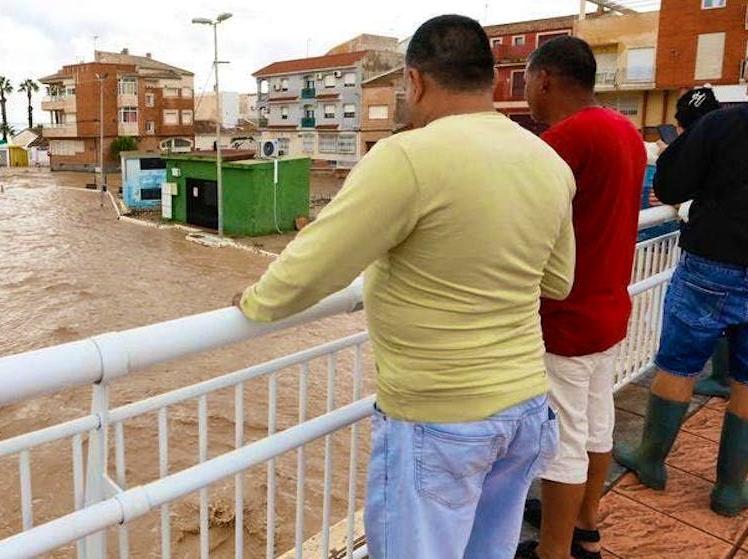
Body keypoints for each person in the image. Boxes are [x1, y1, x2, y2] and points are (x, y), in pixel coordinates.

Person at [233, 15, 576, 559]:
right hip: (525, 407)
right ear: (489, 79)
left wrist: (254, 302)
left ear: (415, 81)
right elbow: (558, 281)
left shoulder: (407, 157)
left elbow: (314, 266)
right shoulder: (548, 161)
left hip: (440, 418)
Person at [614, 34, 748, 517]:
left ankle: (651, 460)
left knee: (678, 367)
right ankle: (730, 489)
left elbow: (670, 184)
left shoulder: (724, 124)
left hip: (711, 269)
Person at [515, 37, 645, 559]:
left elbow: (521, 223)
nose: (525, 90)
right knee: (596, 422)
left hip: (567, 315)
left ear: (544, 79)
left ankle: (553, 552)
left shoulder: (564, 140)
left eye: (526, 79)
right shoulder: (624, 129)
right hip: (609, 306)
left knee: (562, 440)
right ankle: (586, 525)